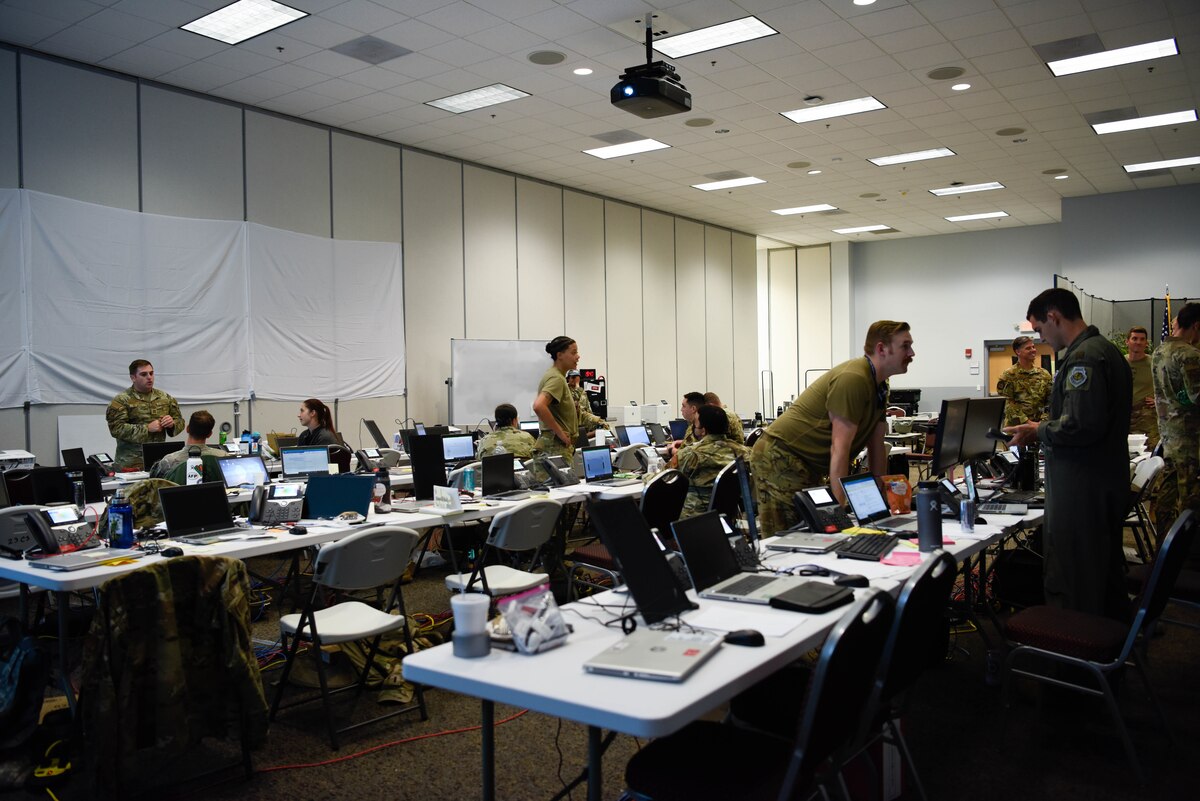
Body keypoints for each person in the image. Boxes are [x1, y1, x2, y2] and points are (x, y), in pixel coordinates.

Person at [1006, 288, 1131, 620]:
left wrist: (1039, 430)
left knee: (1075, 580)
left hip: (1082, 488)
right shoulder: (1105, 350)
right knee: (1101, 575)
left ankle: (1078, 656)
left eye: (1039, 329)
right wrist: (1047, 425)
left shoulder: (1084, 358)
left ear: (1054, 317)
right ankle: (1106, 654)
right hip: (1100, 481)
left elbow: (1079, 425)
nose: (1041, 338)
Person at [751, 320, 914, 536]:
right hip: (780, 457)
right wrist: (837, 514)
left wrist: (880, 502)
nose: (912, 352)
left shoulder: (880, 385)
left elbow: (877, 447)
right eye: (905, 345)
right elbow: (840, 450)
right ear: (882, 349)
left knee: (812, 533)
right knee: (788, 539)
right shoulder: (853, 378)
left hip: (807, 463)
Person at [1151, 304, 1200, 535]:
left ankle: (1163, 542)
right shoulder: (1190, 355)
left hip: (1168, 433)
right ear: (1197, 326)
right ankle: (1186, 552)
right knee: (1190, 495)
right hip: (1190, 438)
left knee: (1168, 492)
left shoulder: (1160, 352)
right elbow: (1197, 396)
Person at [106, 359, 183, 470]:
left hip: (158, 461)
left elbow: (179, 421)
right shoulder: (121, 400)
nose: (149, 377)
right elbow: (116, 429)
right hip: (131, 464)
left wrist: (172, 424)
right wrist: (146, 428)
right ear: (133, 378)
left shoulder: (165, 398)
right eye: (144, 374)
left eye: (151, 373)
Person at [676, 405, 749, 518]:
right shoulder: (743, 453)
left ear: (703, 430)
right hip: (728, 516)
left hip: (694, 518)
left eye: (695, 424)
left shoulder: (690, 454)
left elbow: (663, 476)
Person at [532, 336, 580, 459]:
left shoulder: (557, 376)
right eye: (573, 353)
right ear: (560, 355)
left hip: (554, 447)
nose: (578, 356)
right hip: (555, 448)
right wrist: (561, 434)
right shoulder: (556, 378)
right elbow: (539, 406)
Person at [149, 411, 226, 480]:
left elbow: (155, 483)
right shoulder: (223, 457)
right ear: (210, 434)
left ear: (187, 429)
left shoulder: (169, 461)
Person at [996, 336, 1053, 426]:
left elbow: (1050, 401)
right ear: (1018, 352)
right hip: (1016, 428)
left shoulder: (1044, 374)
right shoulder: (1009, 375)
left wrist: (1042, 422)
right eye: (1028, 348)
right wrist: (1028, 423)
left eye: (1033, 347)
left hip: (1040, 427)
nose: (1033, 350)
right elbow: (1008, 404)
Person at [1126, 326, 1159, 449]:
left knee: (1150, 453)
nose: (1138, 342)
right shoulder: (1120, 362)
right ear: (1127, 341)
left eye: (1142, 339)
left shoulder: (1154, 363)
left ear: (1146, 343)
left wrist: (1159, 401)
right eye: (1134, 338)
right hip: (1124, 415)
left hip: (1146, 418)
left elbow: (1170, 384)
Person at [567, 370, 609, 434]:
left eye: (576, 378)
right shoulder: (566, 389)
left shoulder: (581, 391)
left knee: (604, 425)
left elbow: (587, 406)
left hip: (583, 416)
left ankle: (586, 437)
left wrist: (592, 416)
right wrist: (577, 387)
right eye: (572, 377)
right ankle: (584, 437)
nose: (574, 380)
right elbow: (578, 404)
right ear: (568, 379)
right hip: (572, 417)